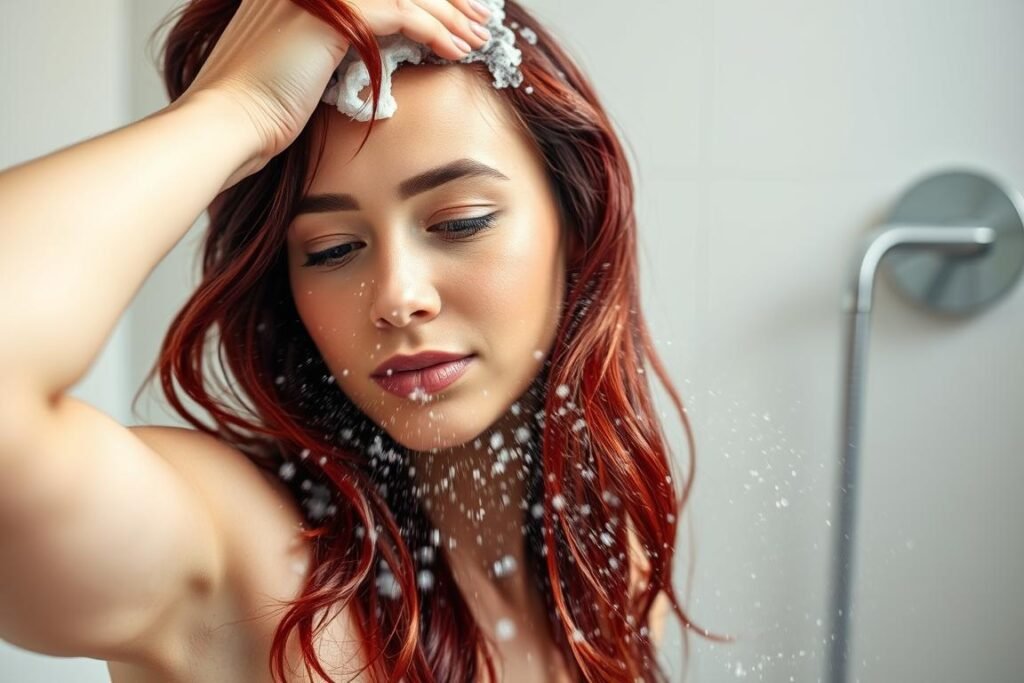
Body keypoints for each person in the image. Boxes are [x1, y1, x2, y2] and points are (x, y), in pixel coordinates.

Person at [0, 0, 731, 680]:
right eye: (331, 249)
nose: (398, 297)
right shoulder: (239, 559)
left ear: (576, 222)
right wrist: (233, 109)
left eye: (460, 223)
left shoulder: (608, 556)